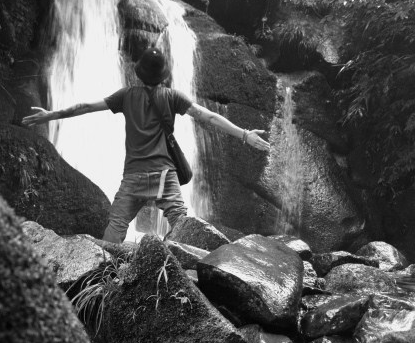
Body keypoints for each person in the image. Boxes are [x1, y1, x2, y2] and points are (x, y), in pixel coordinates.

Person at [22, 47, 270, 243]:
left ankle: (103, 273)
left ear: (139, 73)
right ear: (163, 75)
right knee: (181, 224)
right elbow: (209, 117)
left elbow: (85, 107)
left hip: (134, 176)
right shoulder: (172, 97)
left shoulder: (126, 96)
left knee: (116, 227)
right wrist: (244, 134)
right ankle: (182, 271)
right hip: (164, 176)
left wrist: (51, 115)